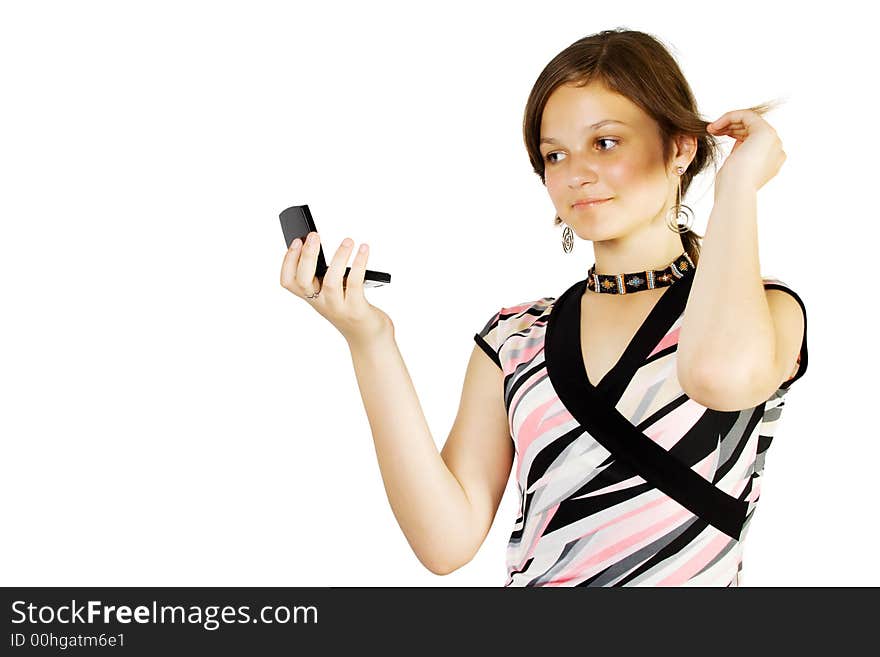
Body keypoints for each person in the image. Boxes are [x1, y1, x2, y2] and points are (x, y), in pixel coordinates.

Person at [280, 28, 808, 586]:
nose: (576, 173)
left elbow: (719, 376)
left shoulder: (762, 309)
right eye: (555, 154)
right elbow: (444, 542)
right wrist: (369, 339)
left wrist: (738, 186)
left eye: (606, 142)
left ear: (680, 147)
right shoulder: (517, 335)